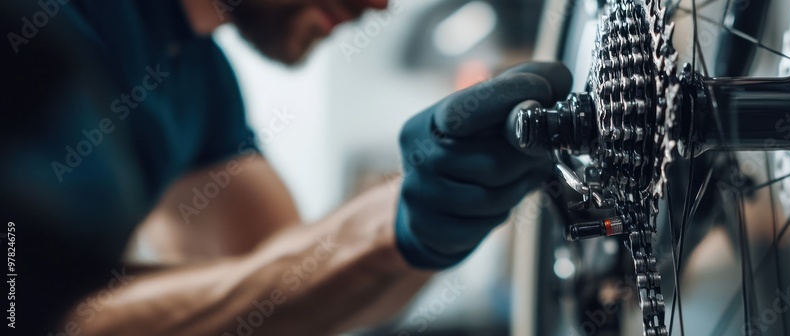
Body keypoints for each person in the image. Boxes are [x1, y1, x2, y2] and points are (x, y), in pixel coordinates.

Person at [0, 0, 570, 334]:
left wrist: (437, 229)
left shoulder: (205, 86)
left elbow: (296, 304)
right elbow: (34, 317)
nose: (379, 4)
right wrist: (395, 224)